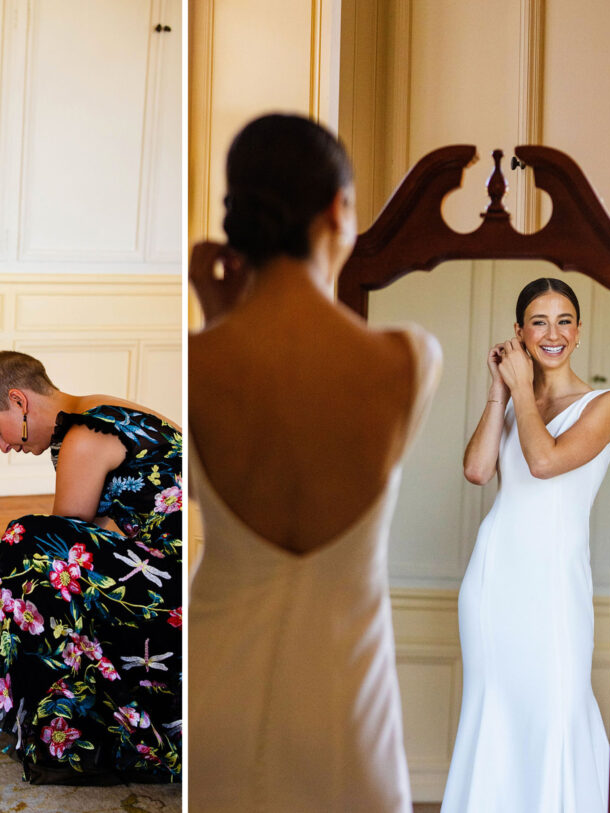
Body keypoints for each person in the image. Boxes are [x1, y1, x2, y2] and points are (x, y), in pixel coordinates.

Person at [188, 113, 441, 812]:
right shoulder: (410, 359)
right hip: (346, 704)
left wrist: (216, 320)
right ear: (339, 208)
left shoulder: (196, 362)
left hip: (216, 698)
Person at [0, 351, 182, 784]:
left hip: (176, 596)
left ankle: (53, 723)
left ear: (19, 401)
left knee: (28, 535)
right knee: (29, 545)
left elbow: (54, 555)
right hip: (173, 574)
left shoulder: (84, 435)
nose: (4, 446)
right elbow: (85, 535)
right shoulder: (99, 411)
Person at [441, 278, 610, 812]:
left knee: (558, 705)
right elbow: (477, 471)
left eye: (564, 320)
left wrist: (522, 391)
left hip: (555, 583)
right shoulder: (515, 399)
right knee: (490, 705)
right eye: (539, 322)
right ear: (520, 332)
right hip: (493, 579)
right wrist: (501, 390)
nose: (553, 333)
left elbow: (544, 463)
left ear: (579, 331)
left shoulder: (604, 404)